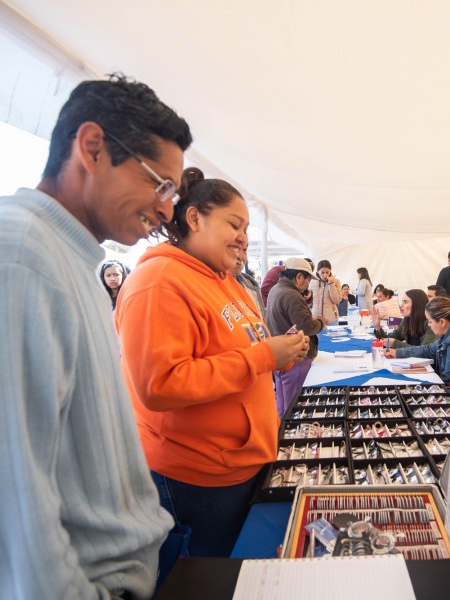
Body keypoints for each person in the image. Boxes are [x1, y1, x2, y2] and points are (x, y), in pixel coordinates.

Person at [0, 75, 192, 599]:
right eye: (158, 183)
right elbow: (0, 515)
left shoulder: (66, 256)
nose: (167, 209)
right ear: (92, 147)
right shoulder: (11, 255)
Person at [115, 169, 309, 558]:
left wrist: (278, 355)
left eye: (246, 228)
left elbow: (241, 349)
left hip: (239, 463)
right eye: (234, 224)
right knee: (204, 579)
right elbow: (160, 384)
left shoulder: (223, 280)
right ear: (194, 218)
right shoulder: (159, 281)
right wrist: (263, 356)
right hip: (197, 477)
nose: (243, 237)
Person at [266, 258, 328, 415]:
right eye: (307, 279)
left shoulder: (275, 289)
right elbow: (307, 326)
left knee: (282, 405)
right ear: (299, 277)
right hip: (295, 357)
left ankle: (280, 435)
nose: (308, 284)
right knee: (294, 408)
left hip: (280, 357)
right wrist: (320, 322)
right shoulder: (292, 295)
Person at [384, 296, 450, 385]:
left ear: (442, 322)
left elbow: (449, 381)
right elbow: (427, 350)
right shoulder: (445, 337)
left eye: (430, 321)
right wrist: (397, 352)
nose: (429, 325)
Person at [372, 289, 437, 349]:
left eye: (405, 302)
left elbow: (425, 350)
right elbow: (389, 340)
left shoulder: (430, 324)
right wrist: (378, 326)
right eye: (402, 302)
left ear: (416, 304)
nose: (401, 306)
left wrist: (396, 344)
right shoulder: (406, 321)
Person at [232, 246, 265, 319]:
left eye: (244, 250)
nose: (241, 256)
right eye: (234, 249)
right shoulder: (208, 287)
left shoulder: (250, 284)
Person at [309, 259, 342, 324]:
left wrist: (331, 284)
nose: (325, 275)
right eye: (322, 272)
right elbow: (309, 301)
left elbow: (336, 300)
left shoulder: (336, 281)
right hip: (315, 319)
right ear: (318, 271)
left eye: (327, 272)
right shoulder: (312, 281)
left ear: (330, 271)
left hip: (331, 319)